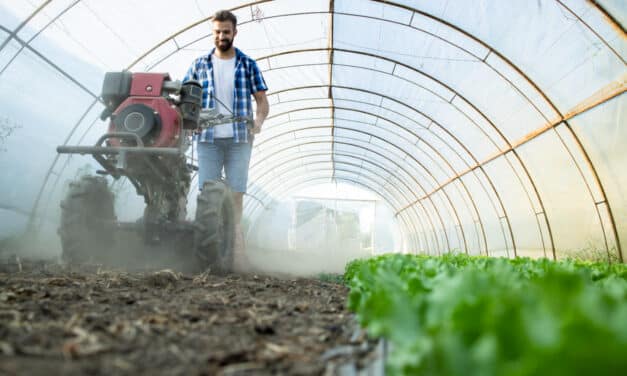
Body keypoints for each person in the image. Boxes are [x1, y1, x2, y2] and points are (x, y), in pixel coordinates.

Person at [183, 9, 269, 269]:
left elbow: (263, 102)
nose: (221, 36)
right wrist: (190, 121)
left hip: (239, 139)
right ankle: (210, 250)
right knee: (207, 193)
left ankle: (237, 253)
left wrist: (258, 122)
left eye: (226, 32)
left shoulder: (248, 64)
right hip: (208, 138)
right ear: (213, 33)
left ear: (235, 32)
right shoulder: (198, 65)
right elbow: (186, 99)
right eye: (217, 32)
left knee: (235, 196)